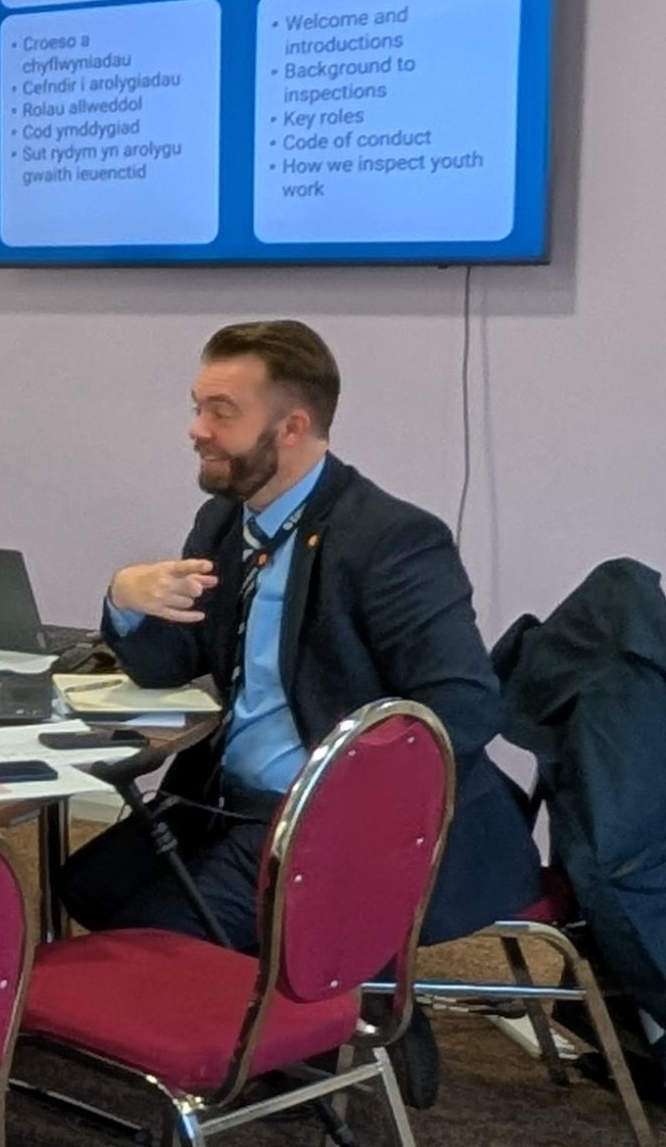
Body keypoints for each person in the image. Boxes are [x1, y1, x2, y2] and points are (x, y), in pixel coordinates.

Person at [62, 318, 541, 971]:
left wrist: (331, 796)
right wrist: (125, 597)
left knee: (146, 940)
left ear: (292, 427)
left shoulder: (390, 540)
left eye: (220, 412)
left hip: (322, 826)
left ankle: (309, 1023)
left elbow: (463, 706)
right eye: (197, 408)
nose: (195, 429)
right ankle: (273, 1004)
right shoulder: (227, 520)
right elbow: (169, 667)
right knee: (84, 885)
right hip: (225, 805)